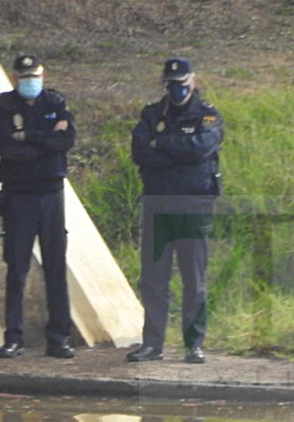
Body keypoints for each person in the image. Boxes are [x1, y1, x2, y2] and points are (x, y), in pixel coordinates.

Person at [127, 58, 224, 363]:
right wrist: (176, 147)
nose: (177, 89)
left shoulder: (208, 115)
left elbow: (200, 150)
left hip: (194, 205)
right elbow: (140, 152)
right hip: (157, 205)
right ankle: (152, 345)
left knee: (193, 279)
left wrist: (162, 144)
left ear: (192, 81)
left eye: (182, 83)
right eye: (171, 84)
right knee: (153, 280)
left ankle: (193, 344)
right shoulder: (151, 114)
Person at [0, 54, 76, 359]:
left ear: (43, 75)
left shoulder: (54, 102)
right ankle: (13, 337)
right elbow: (6, 149)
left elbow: (66, 141)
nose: (31, 82)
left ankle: (59, 338)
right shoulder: (2, 106)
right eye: (25, 77)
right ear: (15, 78)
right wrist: (45, 142)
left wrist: (28, 137)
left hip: (51, 194)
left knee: (55, 267)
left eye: (35, 76)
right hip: (19, 195)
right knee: (17, 267)